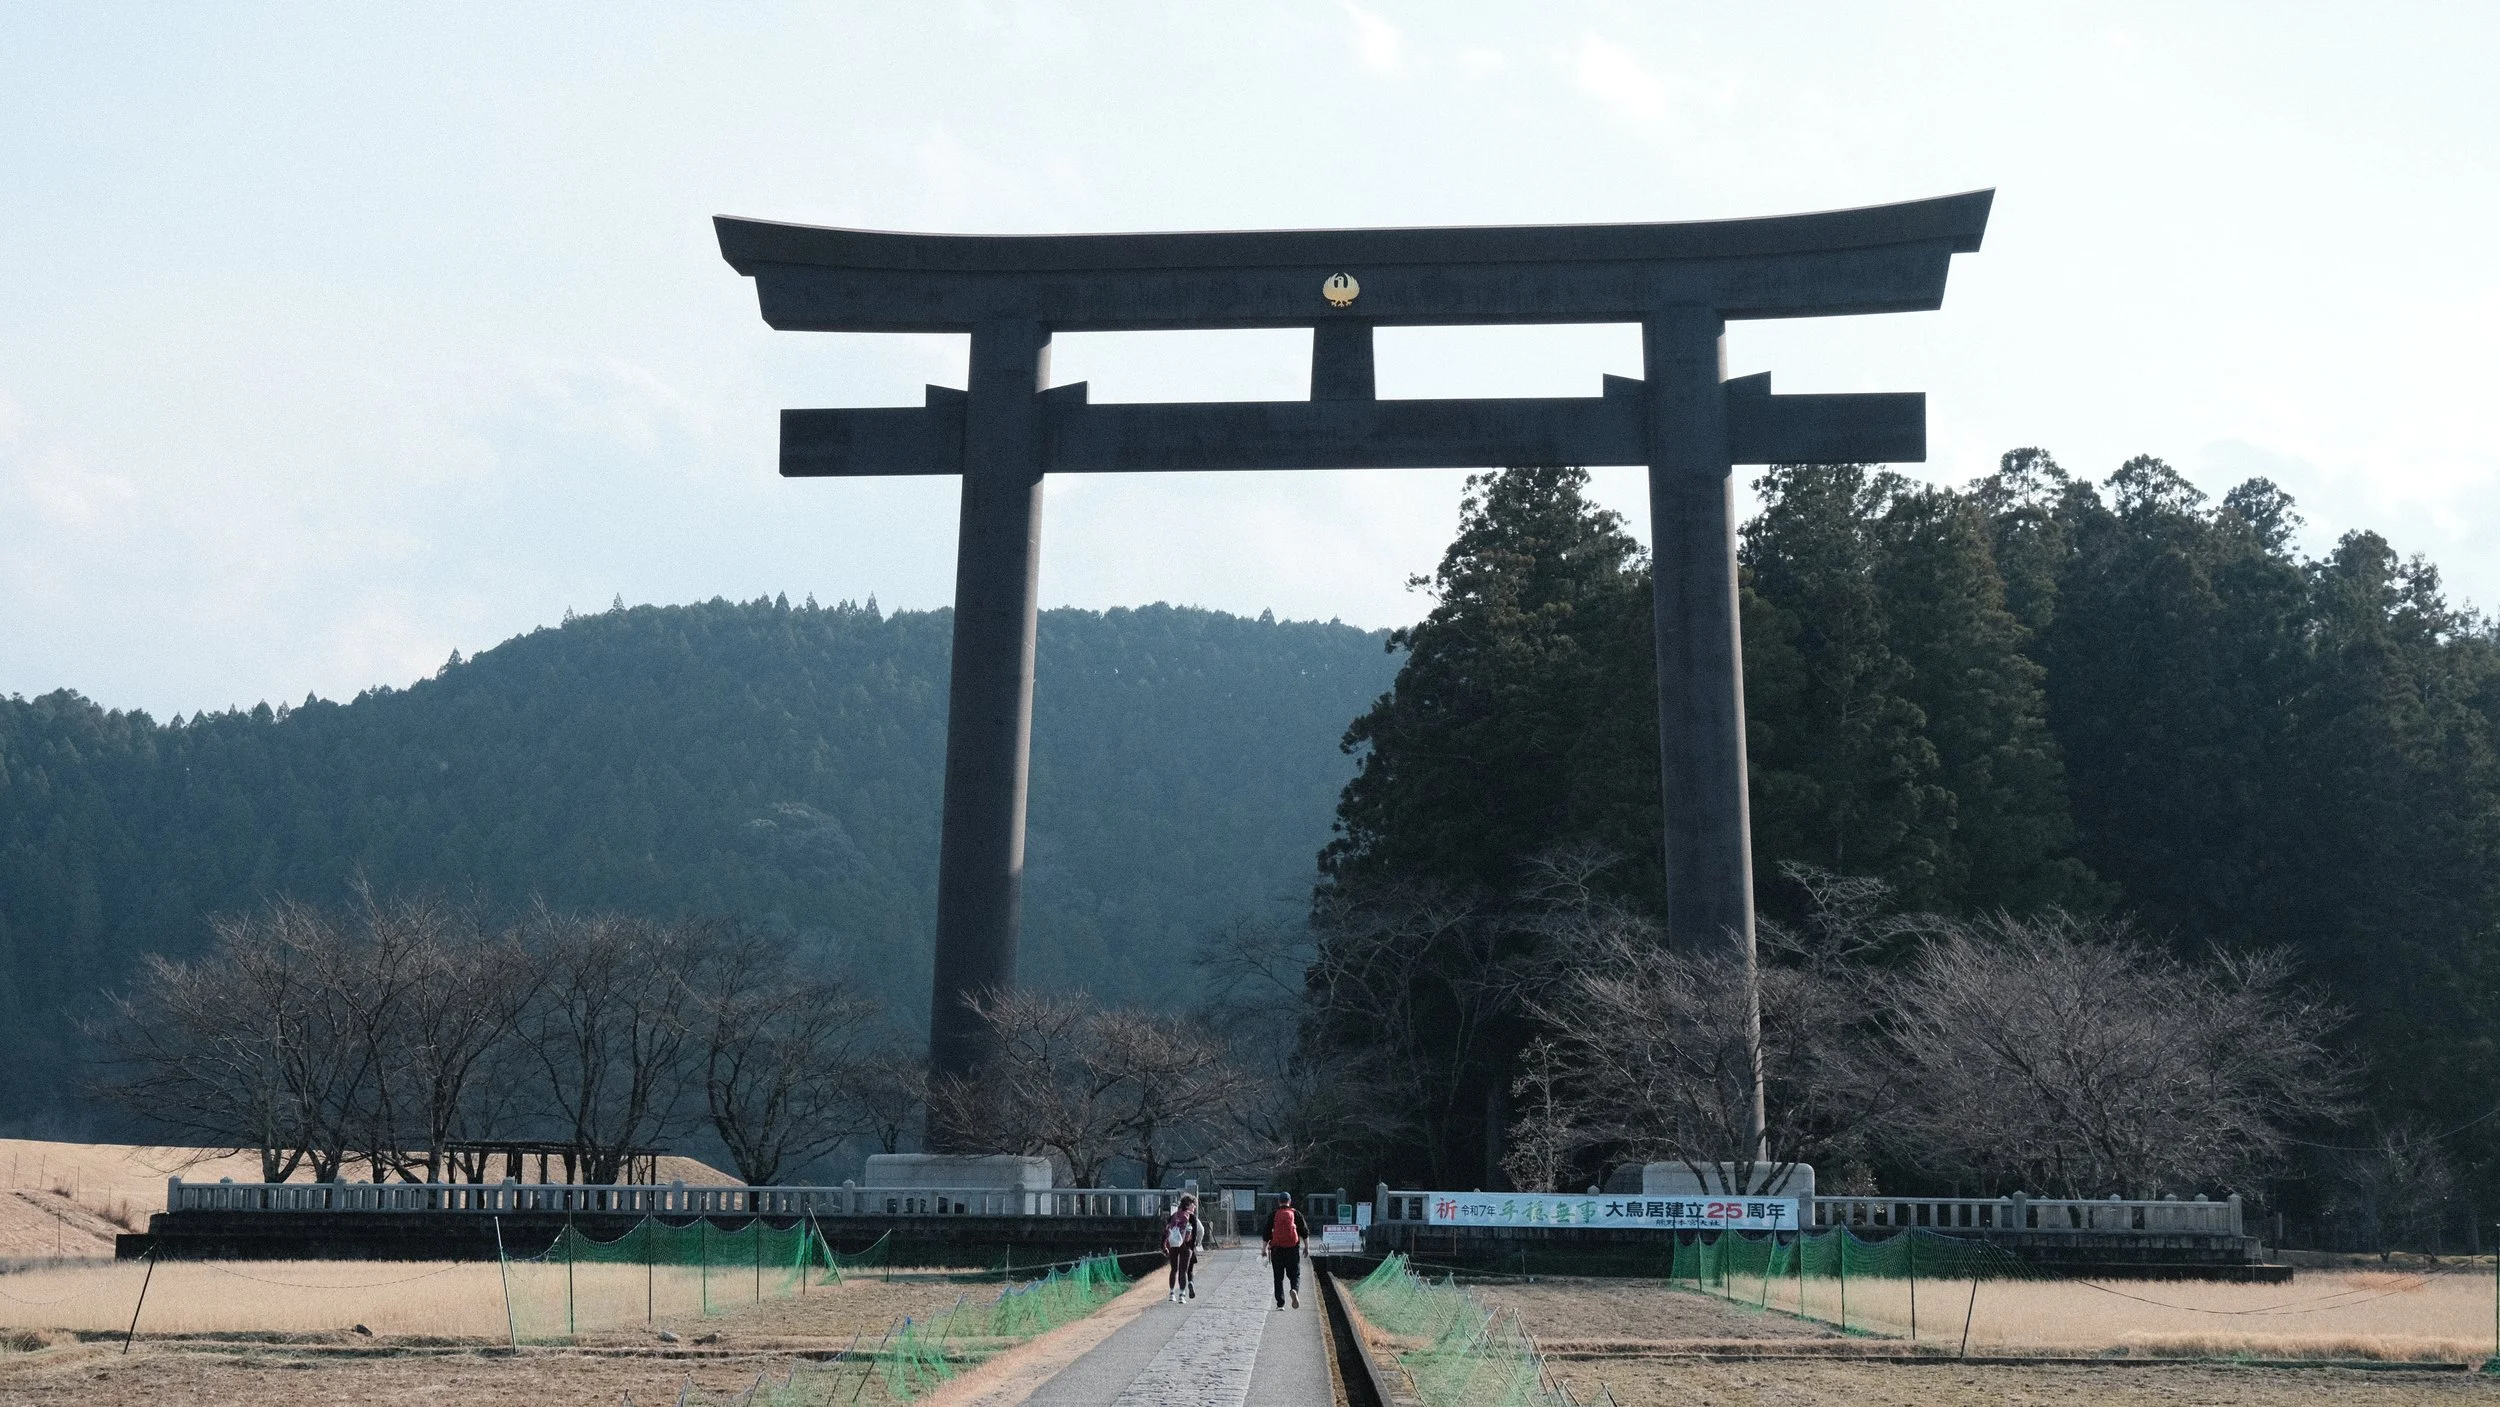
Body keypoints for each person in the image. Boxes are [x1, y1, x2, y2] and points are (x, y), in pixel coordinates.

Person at [1263, 1191, 1308, 1309]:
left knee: (1278, 1278)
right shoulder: (1296, 1214)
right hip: (1292, 1250)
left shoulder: (1274, 1214)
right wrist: (1306, 1247)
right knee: (1295, 1274)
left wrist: (1263, 1249)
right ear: (1289, 1201)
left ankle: (1280, 1304)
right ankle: (1294, 1290)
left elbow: (1266, 1233)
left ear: (1279, 1202)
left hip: (1276, 1250)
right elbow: (1304, 1232)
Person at [1164, 1193, 1200, 1303]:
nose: (1194, 1207)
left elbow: (1166, 1231)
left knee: (1173, 1269)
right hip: (1186, 1246)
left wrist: (1164, 1246)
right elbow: (1195, 1234)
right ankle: (1182, 1295)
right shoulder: (1192, 1217)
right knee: (1183, 1271)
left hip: (1173, 1245)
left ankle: (1171, 1294)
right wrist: (1192, 1248)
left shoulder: (1174, 1215)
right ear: (1189, 1205)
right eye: (1193, 1205)